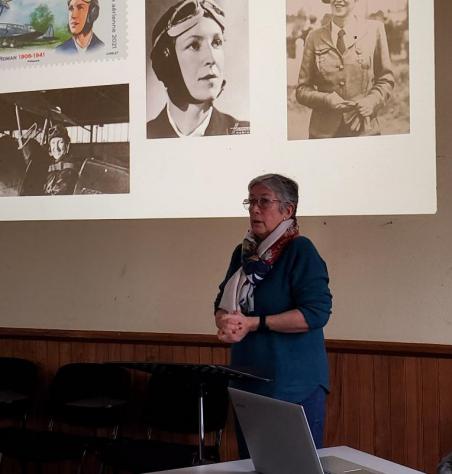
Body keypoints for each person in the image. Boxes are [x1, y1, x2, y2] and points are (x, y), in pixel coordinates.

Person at [214, 174, 332, 455]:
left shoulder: (301, 250)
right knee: (253, 465)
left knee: (294, 467)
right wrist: (225, 322)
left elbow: (316, 314)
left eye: (264, 202)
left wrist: (254, 323)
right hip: (248, 380)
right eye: (251, 201)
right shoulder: (243, 253)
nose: (255, 209)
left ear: (287, 210)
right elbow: (222, 302)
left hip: (293, 384)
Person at [147, 0, 250, 138]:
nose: (212, 58)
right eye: (194, 45)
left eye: (217, 42)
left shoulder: (244, 132)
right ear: (167, 64)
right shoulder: (145, 134)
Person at [296, 0, 395, 139]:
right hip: (323, 134)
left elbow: (386, 79)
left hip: (364, 129)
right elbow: (302, 90)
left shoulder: (374, 30)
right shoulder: (314, 37)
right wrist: (326, 99)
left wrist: (371, 101)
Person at [43, 124, 78, 195]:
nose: (56, 148)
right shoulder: (52, 165)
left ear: (67, 146)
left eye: (60, 142)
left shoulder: (69, 169)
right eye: (53, 143)